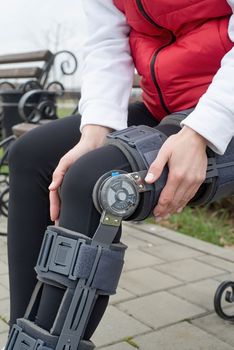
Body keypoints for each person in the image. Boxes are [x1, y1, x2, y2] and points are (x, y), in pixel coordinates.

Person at [6, 0, 234, 345]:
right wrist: (94, 130)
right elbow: (107, 44)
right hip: (167, 110)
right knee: (31, 156)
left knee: (96, 182)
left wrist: (201, 129)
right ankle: (23, 339)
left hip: (221, 112)